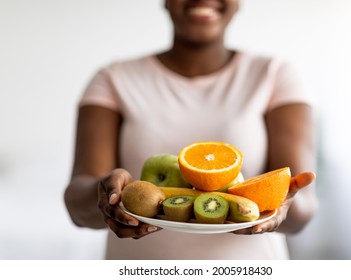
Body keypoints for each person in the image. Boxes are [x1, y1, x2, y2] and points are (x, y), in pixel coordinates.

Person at [64, 0, 318, 259]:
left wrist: (284, 205)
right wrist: (106, 196)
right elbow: (77, 205)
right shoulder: (113, 79)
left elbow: (304, 211)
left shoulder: (275, 75)